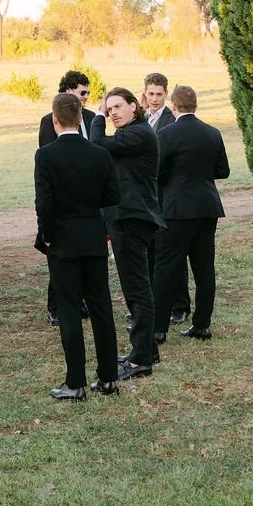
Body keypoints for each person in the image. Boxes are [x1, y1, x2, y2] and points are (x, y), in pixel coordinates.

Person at [34, 92, 120, 401]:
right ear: (81, 117)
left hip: (62, 241)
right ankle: (109, 378)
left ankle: (76, 382)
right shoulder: (99, 154)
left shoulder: (45, 155)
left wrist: (46, 234)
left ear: (55, 119)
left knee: (69, 311)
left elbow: (43, 203)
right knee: (101, 308)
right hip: (93, 237)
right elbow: (112, 197)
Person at [89, 87, 165, 379]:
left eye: (118, 107)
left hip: (132, 218)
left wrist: (96, 116)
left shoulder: (138, 134)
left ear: (134, 106)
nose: (113, 113)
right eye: (109, 110)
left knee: (137, 289)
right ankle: (146, 349)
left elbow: (97, 143)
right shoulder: (131, 134)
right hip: (128, 217)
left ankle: (141, 359)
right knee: (138, 287)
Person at [152, 84, 230, 344]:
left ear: (173, 106)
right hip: (207, 207)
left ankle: (159, 328)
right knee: (204, 268)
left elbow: (158, 172)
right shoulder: (212, 132)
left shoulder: (167, 133)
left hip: (176, 208)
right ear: (195, 106)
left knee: (166, 267)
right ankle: (202, 325)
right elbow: (223, 170)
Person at [38, 70, 96, 326]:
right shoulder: (48, 121)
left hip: (88, 199)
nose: (86, 98)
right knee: (60, 257)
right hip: (61, 200)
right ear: (68, 90)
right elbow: (47, 158)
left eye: (88, 93)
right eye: (82, 92)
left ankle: (81, 300)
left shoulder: (93, 118)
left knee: (85, 256)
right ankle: (56, 307)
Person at [142, 69, 190, 324]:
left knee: (173, 254)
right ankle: (153, 303)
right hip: (148, 198)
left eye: (159, 94)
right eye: (151, 94)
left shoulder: (172, 122)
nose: (155, 99)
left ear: (166, 94)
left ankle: (180, 305)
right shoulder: (143, 118)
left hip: (167, 195)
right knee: (150, 252)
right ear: (145, 93)